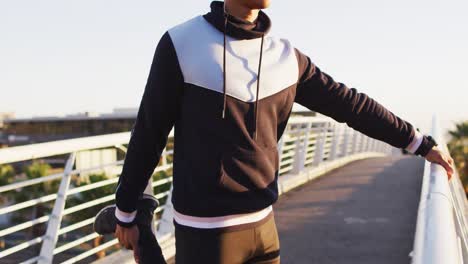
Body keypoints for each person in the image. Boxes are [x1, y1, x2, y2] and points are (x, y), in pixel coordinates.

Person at [93, 0, 456, 263]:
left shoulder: (285, 56)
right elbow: (149, 133)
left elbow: (350, 105)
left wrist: (419, 142)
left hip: (265, 229)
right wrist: (127, 212)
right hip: (208, 237)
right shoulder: (182, 44)